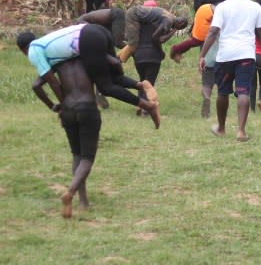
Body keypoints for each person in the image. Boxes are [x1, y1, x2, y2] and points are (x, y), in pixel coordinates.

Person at [18, 25, 161, 127]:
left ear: (23, 50)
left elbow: (53, 82)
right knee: (112, 78)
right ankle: (142, 84)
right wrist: (54, 105)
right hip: (97, 30)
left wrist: (65, 106)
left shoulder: (33, 51)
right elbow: (40, 82)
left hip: (87, 39)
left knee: (106, 87)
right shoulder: (47, 44)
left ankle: (148, 106)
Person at [199, 0, 261, 143]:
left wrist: (202, 55)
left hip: (225, 56)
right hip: (246, 55)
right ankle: (241, 131)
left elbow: (213, 32)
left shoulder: (222, 7)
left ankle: (221, 128)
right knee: (244, 91)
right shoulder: (255, 7)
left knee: (223, 92)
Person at [54, 59, 102, 218]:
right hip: (88, 108)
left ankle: (84, 201)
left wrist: (55, 105)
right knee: (87, 158)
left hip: (68, 110)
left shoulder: (58, 62)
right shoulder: (87, 59)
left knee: (77, 155)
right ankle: (70, 192)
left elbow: (36, 84)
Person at [133, 9, 179, 119]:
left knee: (142, 80)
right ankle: (145, 108)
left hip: (138, 55)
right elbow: (158, 40)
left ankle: (139, 105)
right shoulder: (159, 23)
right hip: (152, 56)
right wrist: (174, 30)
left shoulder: (137, 23)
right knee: (149, 82)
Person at [118, 4, 187, 63]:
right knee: (133, 45)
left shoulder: (170, 17)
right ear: (181, 24)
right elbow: (156, 38)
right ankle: (116, 64)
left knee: (135, 42)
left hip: (135, 12)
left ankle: (117, 58)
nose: (179, 29)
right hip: (134, 15)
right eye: (181, 28)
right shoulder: (168, 21)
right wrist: (174, 30)